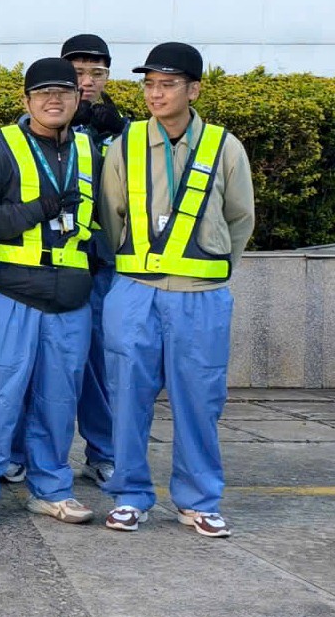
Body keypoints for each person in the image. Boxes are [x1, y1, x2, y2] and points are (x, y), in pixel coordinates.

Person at [98, 42, 255, 538]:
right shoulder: (126, 143)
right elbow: (110, 215)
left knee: (199, 399)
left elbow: (240, 218)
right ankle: (129, 495)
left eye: (167, 84)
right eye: (149, 84)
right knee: (127, 397)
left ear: (194, 90)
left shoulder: (224, 146)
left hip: (200, 295)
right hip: (134, 291)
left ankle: (199, 500)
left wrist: (210, 268)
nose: (156, 94)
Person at [0, 58, 108, 528]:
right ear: (26, 101)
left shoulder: (91, 151)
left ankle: (51, 489)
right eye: (43, 93)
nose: (53, 99)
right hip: (9, 293)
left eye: (63, 92)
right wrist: (38, 209)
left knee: (59, 399)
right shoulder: (4, 150)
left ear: (78, 99)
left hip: (69, 299)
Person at [62, 33, 123, 489]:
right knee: (36, 363)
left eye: (96, 73)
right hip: (52, 263)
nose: (87, 81)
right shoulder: (37, 123)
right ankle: (19, 452)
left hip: (104, 266)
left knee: (100, 365)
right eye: (78, 72)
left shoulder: (123, 130)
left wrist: (115, 135)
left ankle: (102, 452)